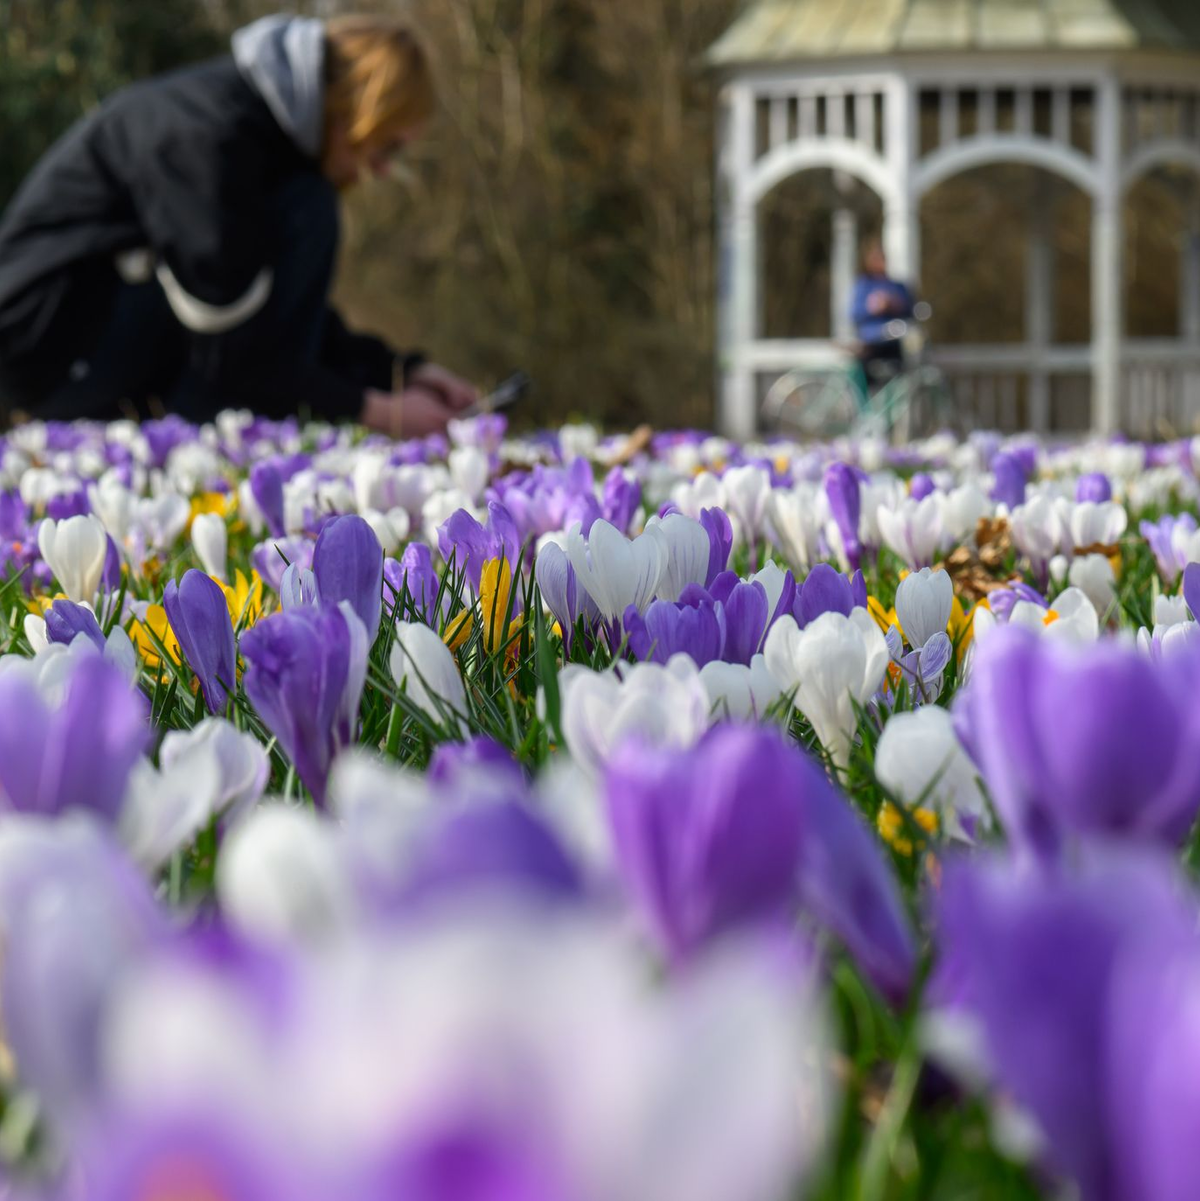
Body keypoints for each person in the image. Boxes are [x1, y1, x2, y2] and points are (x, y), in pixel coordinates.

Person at [0, 13, 475, 437]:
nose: (384, 170)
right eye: (385, 146)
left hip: (74, 333)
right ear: (358, 110)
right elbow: (242, 356)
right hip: (49, 352)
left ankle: (198, 431)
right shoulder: (210, 141)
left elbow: (269, 318)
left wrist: (399, 372)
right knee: (311, 209)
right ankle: (194, 439)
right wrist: (376, 410)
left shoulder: (251, 129)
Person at [850, 238, 916, 386]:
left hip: (893, 341)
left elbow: (911, 309)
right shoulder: (864, 285)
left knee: (899, 380)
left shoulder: (896, 286)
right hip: (871, 342)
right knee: (864, 379)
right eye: (875, 259)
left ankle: (894, 408)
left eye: (881, 258)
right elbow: (854, 313)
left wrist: (895, 305)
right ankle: (865, 407)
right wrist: (872, 307)